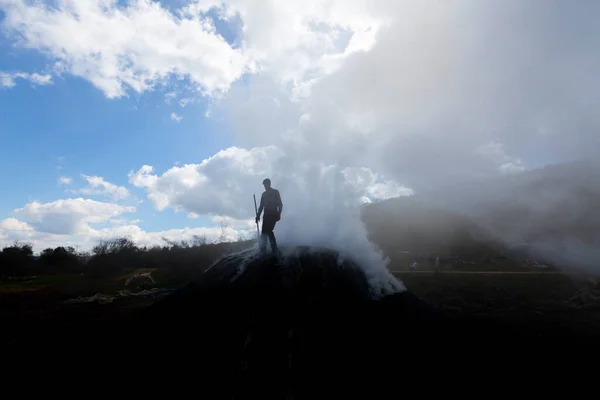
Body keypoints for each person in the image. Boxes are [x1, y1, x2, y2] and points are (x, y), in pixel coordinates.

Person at [255, 178, 283, 254]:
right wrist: (258, 215)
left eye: (266, 184)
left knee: (269, 230)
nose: (265, 186)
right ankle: (263, 250)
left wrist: (279, 213)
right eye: (264, 184)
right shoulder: (263, 194)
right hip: (266, 215)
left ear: (269, 184)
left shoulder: (275, 192)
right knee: (264, 232)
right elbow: (261, 206)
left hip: (273, 214)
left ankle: (274, 249)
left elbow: (280, 204)